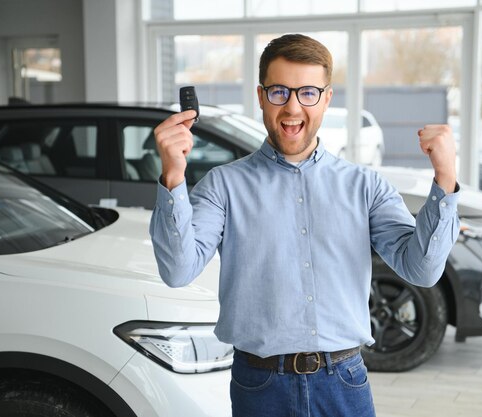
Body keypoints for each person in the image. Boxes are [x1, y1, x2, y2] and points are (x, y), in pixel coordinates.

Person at [149, 33, 460, 417]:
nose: (293, 107)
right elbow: (179, 271)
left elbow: (423, 269)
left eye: (308, 93)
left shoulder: (366, 186)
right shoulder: (223, 185)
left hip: (344, 383)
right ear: (261, 97)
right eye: (279, 92)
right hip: (259, 386)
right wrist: (173, 178)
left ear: (327, 99)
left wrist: (445, 179)